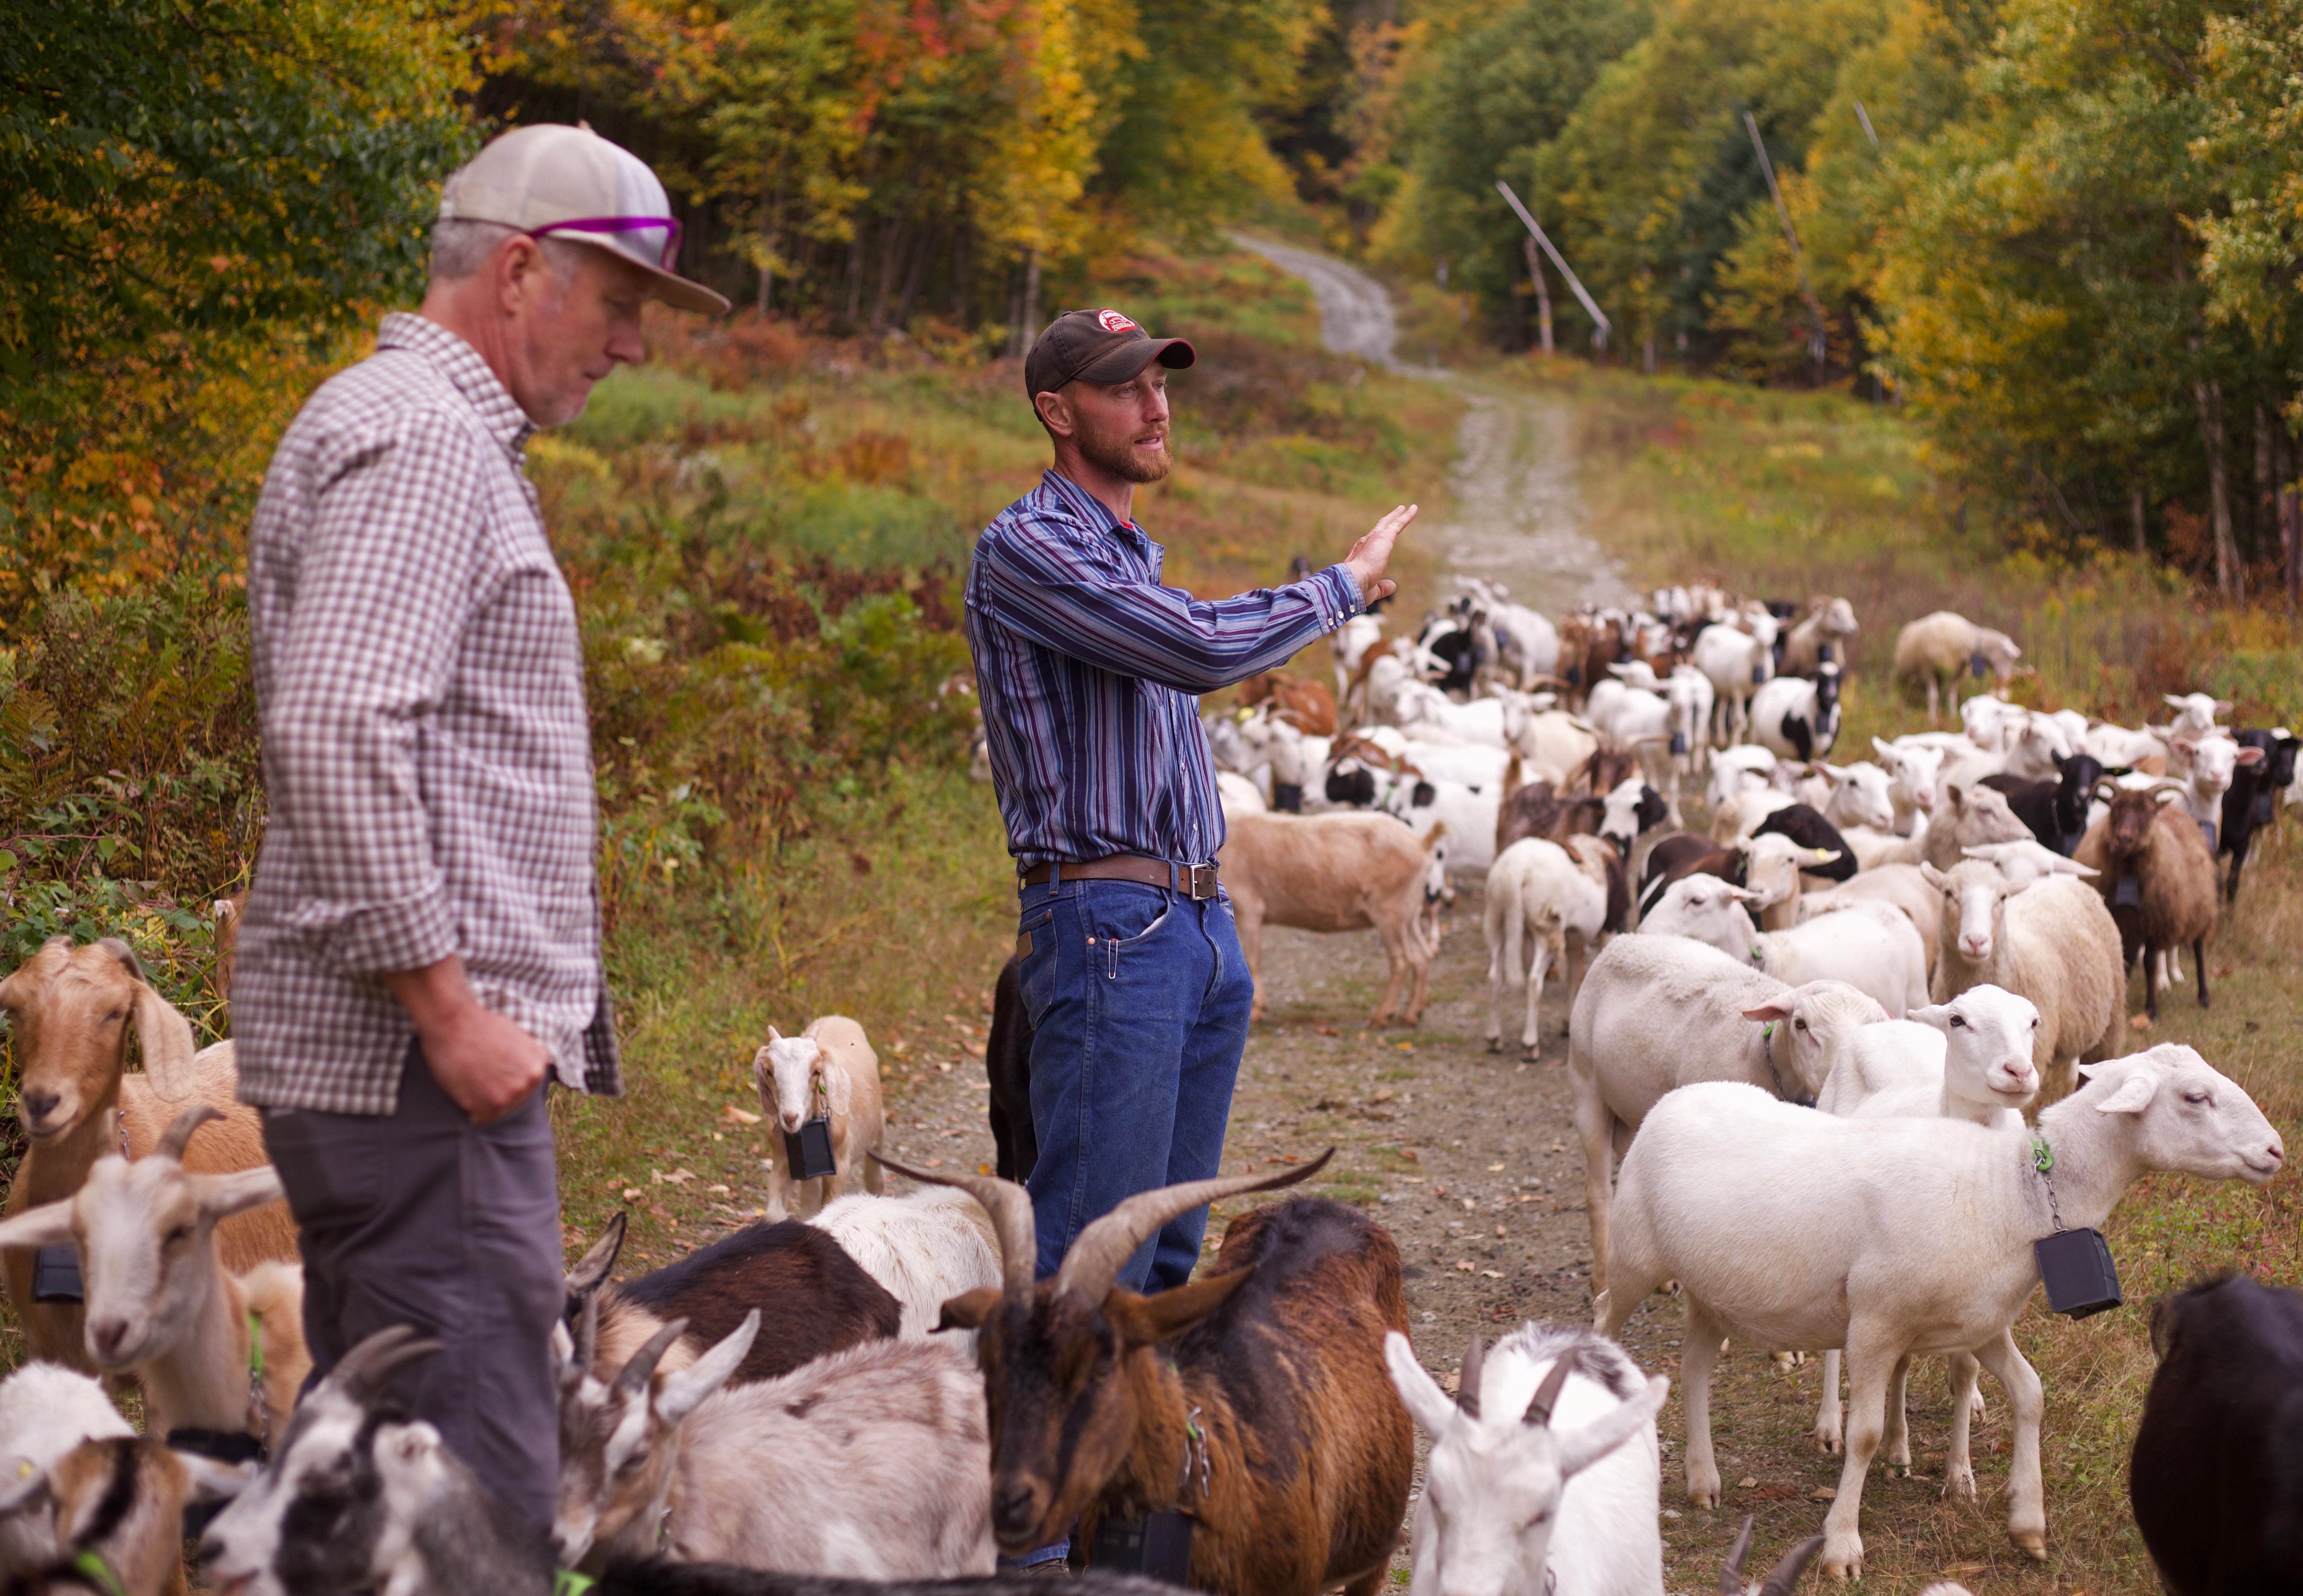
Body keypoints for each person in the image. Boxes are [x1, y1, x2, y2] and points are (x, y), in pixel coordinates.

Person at [233, 124, 728, 1538]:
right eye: (623, 305)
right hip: (417, 1087)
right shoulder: (420, 442)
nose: (632, 348)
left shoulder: (417, 432)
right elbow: (337, 725)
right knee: (482, 1509)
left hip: (411, 1095)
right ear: (523, 273)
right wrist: (447, 1009)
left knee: (386, 1503)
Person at [967, 306, 1414, 1297]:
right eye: (1124, 387)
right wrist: (1338, 587)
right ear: (1056, 410)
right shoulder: (1031, 547)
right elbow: (1201, 648)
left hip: (1198, 926)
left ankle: (1147, 1450)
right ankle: (1026, 1450)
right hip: (1108, 924)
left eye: (1160, 384)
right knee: (1087, 1253)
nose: (1154, 405)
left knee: (1166, 1250)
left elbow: (1194, 640)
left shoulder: (1132, 558)